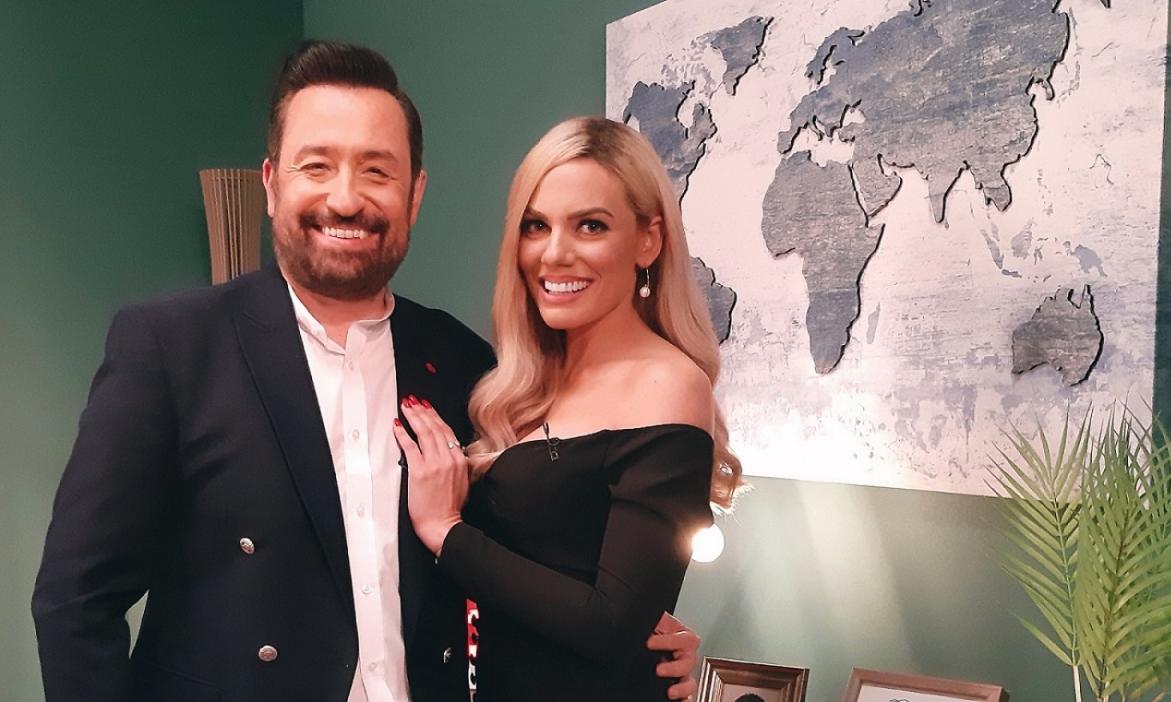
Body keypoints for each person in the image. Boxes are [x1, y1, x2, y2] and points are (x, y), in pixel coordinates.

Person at [31, 41, 700, 702]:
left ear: (415, 193)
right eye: (317, 166)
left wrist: (644, 638)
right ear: (272, 183)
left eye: (377, 171)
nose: (346, 199)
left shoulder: (467, 365)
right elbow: (75, 599)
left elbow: (538, 556)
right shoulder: (173, 346)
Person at [391, 117, 743, 701]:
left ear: (648, 239)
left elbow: (609, 622)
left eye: (590, 225)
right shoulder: (516, 386)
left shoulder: (668, 382)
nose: (554, 254)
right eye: (537, 225)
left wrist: (446, 532)